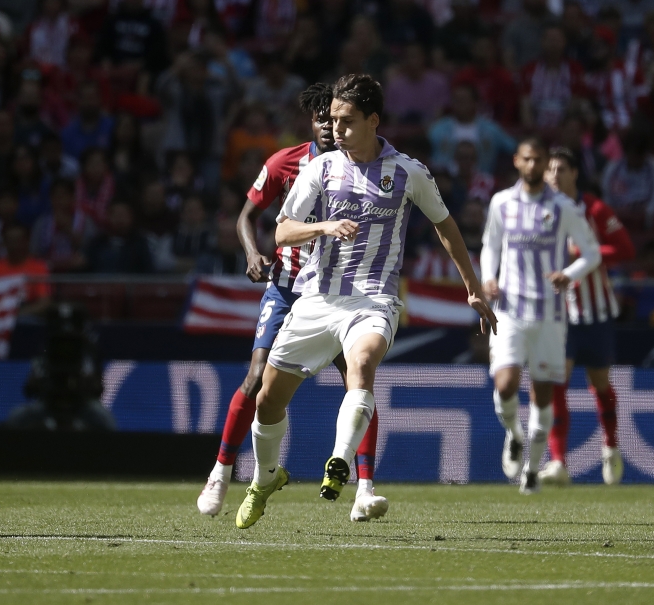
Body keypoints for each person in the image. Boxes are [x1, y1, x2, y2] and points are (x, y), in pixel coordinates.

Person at [234, 74, 496, 529]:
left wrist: (472, 286)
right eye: (333, 119)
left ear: (373, 120)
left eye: (347, 120)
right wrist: (324, 227)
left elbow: (446, 226)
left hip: (374, 299)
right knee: (268, 403)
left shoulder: (408, 172)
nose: (336, 128)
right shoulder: (322, 168)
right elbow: (281, 231)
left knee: (362, 366)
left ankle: (339, 461)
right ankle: (266, 477)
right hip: (317, 298)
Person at [197, 83, 389, 523]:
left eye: (336, 118)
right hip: (287, 286)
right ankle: (220, 473)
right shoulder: (284, 162)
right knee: (255, 379)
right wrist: (251, 252)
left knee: (358, 384)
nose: (329, 125)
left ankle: (364, 487)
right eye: (322, 118)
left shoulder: (364, 166)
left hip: (340, 290)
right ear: (312, 122)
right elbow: (249, 215)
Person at [481, 138, 601, 495]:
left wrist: (571, 274)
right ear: (517, 161)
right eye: (527, 160)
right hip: (510, 310)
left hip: (549, 314)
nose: (533, 167)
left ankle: (533, 468)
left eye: (539, 161)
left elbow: (591, 254)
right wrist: (489, 275)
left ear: (545, 163)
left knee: (543, 395)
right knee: (504, 384)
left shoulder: (563, 207)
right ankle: (514, 435)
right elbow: (491, 245)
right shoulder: (502, 202)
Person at [541, 147, 634, 486]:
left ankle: (610, 446)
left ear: (575, 173)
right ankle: (559, 462)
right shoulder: (538, 211)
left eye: (561, 168)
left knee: (599, 383)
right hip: (558, 314)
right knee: (556, 382)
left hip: (595, 313)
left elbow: (625, 249)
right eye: (550, 169)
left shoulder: (594, 209)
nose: (554, 174)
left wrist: (582, 252)